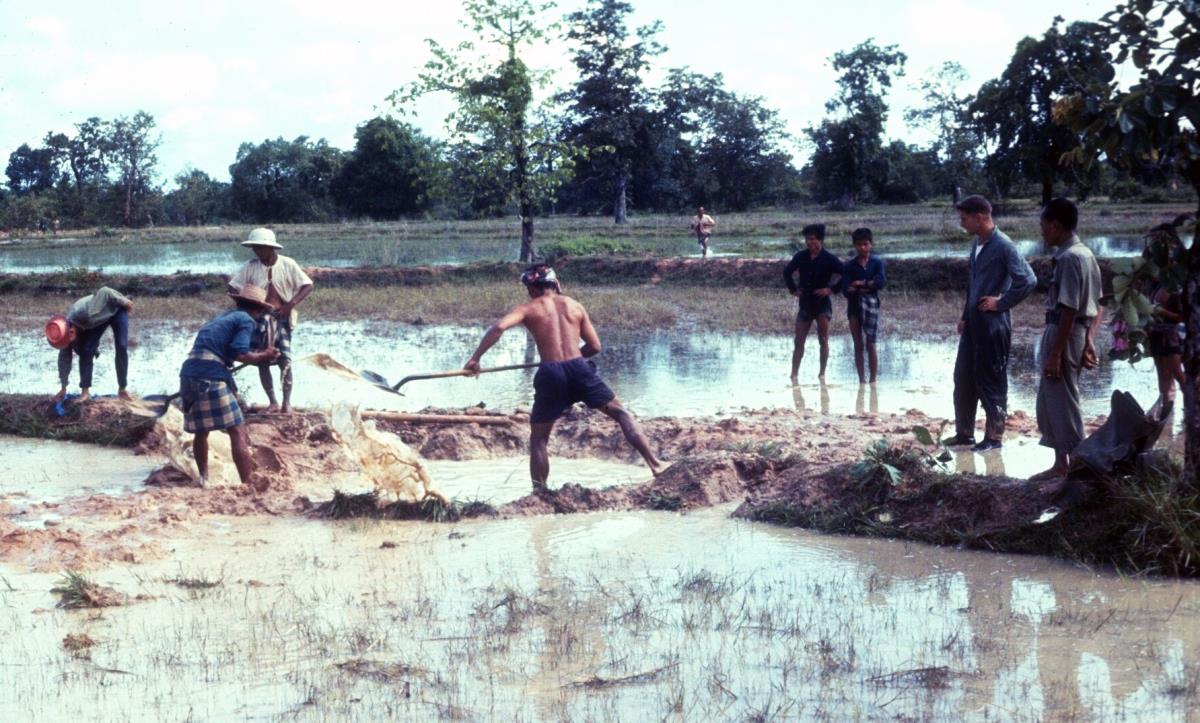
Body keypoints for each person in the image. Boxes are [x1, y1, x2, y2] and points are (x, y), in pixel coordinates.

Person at [463, 264, 668, 490]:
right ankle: (655, 465)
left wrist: (475, 359)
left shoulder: (528, 308)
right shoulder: (574, 305)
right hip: (579, 368)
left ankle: (539, 491)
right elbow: (595, 346)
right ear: (555, 284)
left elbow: (499, 327)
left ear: (532, 288)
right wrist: (573, 358)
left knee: (539, 438)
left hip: (551, 373)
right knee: (621, 413)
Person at [946, 195, 1036, 451]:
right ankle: (964, 433)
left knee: (991, 379)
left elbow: (1028, 280)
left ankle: (994, 437)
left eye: (965, 219)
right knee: (963, 377)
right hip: (973, 324)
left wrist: (1001, 302)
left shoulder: (1004, 245)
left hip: (993, 326)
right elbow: (973, 285)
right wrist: (965, 315)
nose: (961, 223)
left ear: (981, 217)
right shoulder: (977, 243)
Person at [179, 285, 280, 490]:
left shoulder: (222, 318)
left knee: (201, 431)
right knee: (236, 429)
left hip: (189, 371)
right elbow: (239, 353)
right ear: (259, 310)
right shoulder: (246, 320)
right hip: (209, 374)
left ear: (238, 303)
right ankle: (248, 484)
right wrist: (264, 355)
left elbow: (221, 350)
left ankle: (203, 479)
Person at [1031, 198, 1103, 480]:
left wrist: (1056, 352)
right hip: (1073, 333)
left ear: (1056, 225)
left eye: (1043, 225)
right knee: (1050, 400)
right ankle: (1061, 464)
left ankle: (1075, 469)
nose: (1042, 231)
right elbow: (1098, 304)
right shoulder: (1084, 253)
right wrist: (1089, 340)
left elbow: (1071, 308)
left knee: (1063, 400)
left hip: (1065, 332)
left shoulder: (1072, 258)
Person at [228, 227, 313, 413]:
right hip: (259, 321)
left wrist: (289, 305)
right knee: (263, 360)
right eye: (254, 248)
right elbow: (232, 285)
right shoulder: (251, 266)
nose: (256, 251)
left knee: (285, 360)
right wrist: (245, 301)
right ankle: (273, 401)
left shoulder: (287, 264)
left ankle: (286, 403)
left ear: (270, 248)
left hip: (281, 318)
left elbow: (307, 285)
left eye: (259, 248)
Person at [46, 286, 135, 403]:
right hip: (97, 321)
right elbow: (64, 360)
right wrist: (63, 387)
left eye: (69, 340)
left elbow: (105, 291)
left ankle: (122, 389)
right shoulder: (65, 334)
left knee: (122, 346)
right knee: (87, 351)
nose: (70, 344)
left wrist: (125, 301)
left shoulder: (84, 312)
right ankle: (85, 392)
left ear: (71, 331)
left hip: (116, 309)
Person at [783, 223, 843, 381]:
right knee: (799, 341)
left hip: (822, 303)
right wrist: (793, 289)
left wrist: (831, 289)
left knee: (823, 339)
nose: (809, 242)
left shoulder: (829, 258)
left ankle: (822, 373)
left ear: (820, 240)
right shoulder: (801, 256)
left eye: (812, 239)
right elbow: (787, 272)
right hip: (806, 303)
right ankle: (794, 374)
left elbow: (847, 274)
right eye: (807, 239)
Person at [1144, 222, 1187, 418]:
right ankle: (1167, 422)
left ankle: (1191, 416)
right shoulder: (1154, 278)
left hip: (1172, 335)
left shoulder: (1176, 279)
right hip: (1157, 334)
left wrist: (1161, 311)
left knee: (1180, 376)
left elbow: (1185, 316)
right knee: (1163, 381)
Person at [842, 227, 886, 384]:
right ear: (855, 245)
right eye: (859, 244)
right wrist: (868, 285)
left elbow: (880, 283)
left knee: (871, 343)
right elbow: (846, 289)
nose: (862, 247)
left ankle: (873, 381)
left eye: (865, 244)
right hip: (854, 307)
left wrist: (860, 283)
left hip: (872, 305)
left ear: (871, 244)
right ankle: (862, 380)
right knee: (858, 344)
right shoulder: (849, 266)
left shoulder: (877, 263)